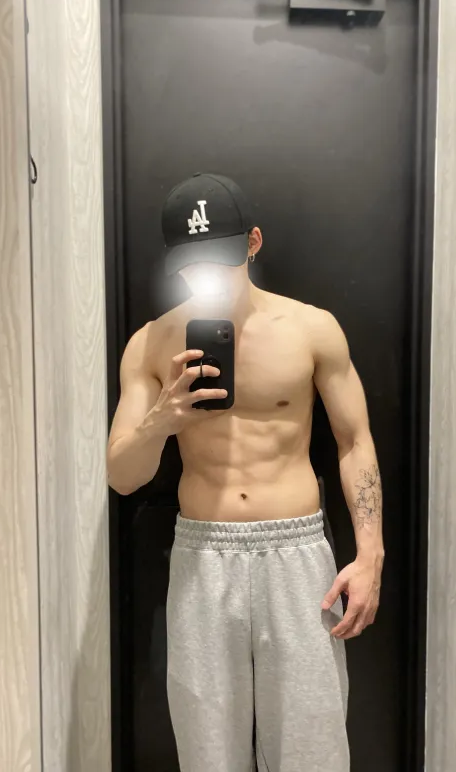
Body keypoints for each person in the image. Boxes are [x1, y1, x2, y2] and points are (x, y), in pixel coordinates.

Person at [106, 173, 384, 772]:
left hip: (297, 554)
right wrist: (162, 419)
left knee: (312, 746)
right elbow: (123, 476)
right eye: (193, 265)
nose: (206, 276)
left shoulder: (311, 329)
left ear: (253, 243)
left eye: (220, 260)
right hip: (204, 556)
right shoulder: (150, 344)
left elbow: (354, 441)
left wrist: (371, 555)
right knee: (209, 749)